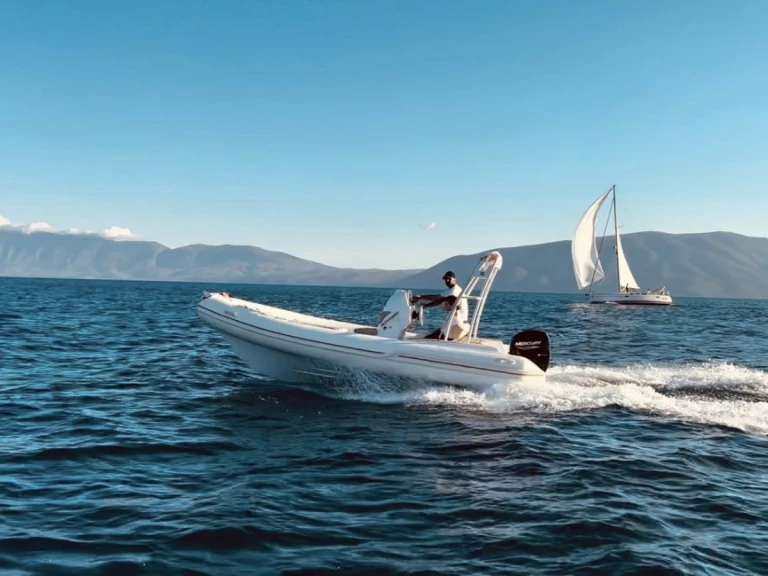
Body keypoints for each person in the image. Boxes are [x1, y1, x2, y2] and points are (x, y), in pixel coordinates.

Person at [411, 271, 469, 340]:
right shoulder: (450, 290)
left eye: (449, 279)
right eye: (445, 279)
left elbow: (439, 300)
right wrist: (421, 298)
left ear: (454, 279)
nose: (447, 280)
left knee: (427, 338)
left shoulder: (455, 291)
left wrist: (424, 305)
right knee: (435, 332)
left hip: (455, 325)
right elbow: (439, 297)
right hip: (455, 323)